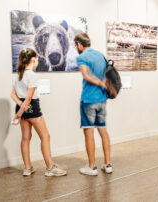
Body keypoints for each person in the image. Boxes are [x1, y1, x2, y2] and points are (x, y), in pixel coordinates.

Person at [11, 48, 67, 177]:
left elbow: (13, 95)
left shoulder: (18, 75)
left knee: (25, 138)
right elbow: (29, 98)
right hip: (32, 107)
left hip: (22, 107)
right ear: (34, 60)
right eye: (36, 60)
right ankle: (50, 168)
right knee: (45, 137)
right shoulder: (32, 75)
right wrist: (19, 114)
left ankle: (27, 168)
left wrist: (20, 108)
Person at [74, 33, 112, 176]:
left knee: (89, 132)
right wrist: (103, 84)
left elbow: (86, 75)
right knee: (103, 130)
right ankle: (107, 165)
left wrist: (98, 82)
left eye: (75, 45)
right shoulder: (100, 55)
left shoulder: (82, 57)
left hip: (88, 100)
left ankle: (92, 167)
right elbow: (108, 74)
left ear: (79, 45)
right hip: (102, 99)